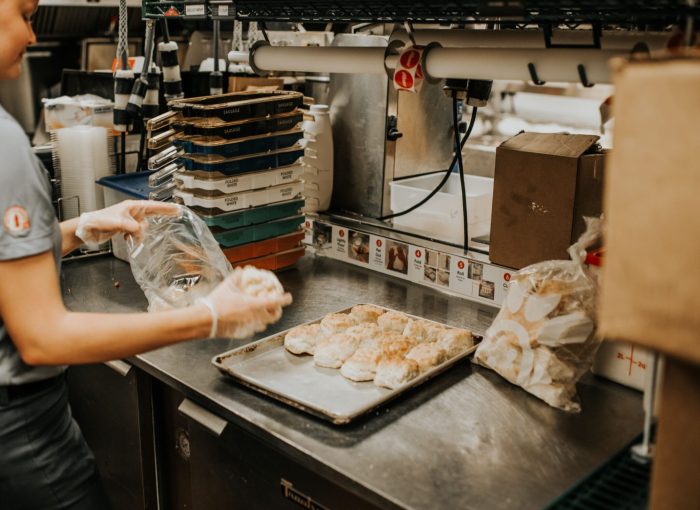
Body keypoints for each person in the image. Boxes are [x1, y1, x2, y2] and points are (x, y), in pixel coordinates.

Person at [0, 1, 291, 508]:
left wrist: (76, 229)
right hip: (22, 437)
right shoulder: (3, 142)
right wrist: (209, 316)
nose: (31, 35)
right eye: (24, 14)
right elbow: (43, 338)